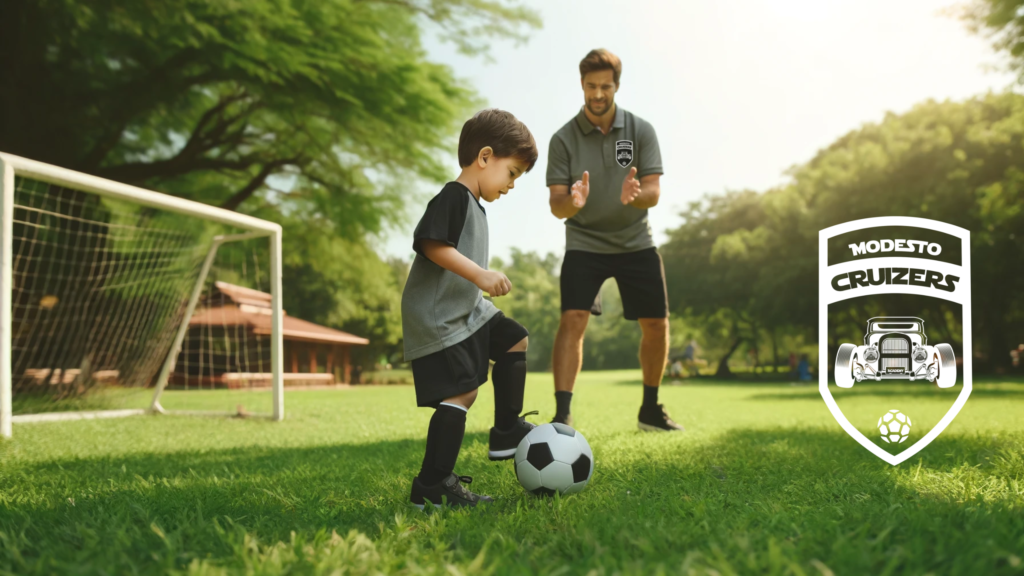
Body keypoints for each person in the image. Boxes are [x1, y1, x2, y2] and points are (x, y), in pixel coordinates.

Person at [402, 109, 539, 509]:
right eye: (512, 172)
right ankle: (432, 485)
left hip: (468, 308)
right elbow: (430, 244)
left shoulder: (476, 206)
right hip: (439, 314)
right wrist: (480, 275)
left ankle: (507, 431)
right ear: (484, 157)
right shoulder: (453, 196)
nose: (513, 184)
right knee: (463, 392)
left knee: (515, 338)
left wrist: (477, 286)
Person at [547, 49, 682, 432]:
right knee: (572, 318)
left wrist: (634, 195)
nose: (598, 94)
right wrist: (571, 203)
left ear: (616, 86)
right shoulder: (563, 139)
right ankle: (562, 416)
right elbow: (556, 206)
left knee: (656, 324)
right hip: (584, 242)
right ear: (582, 85)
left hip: (635, 240)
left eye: (605, 86)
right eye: (591, 86)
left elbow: (653, 192)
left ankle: (650, 411)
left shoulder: (641, 130)